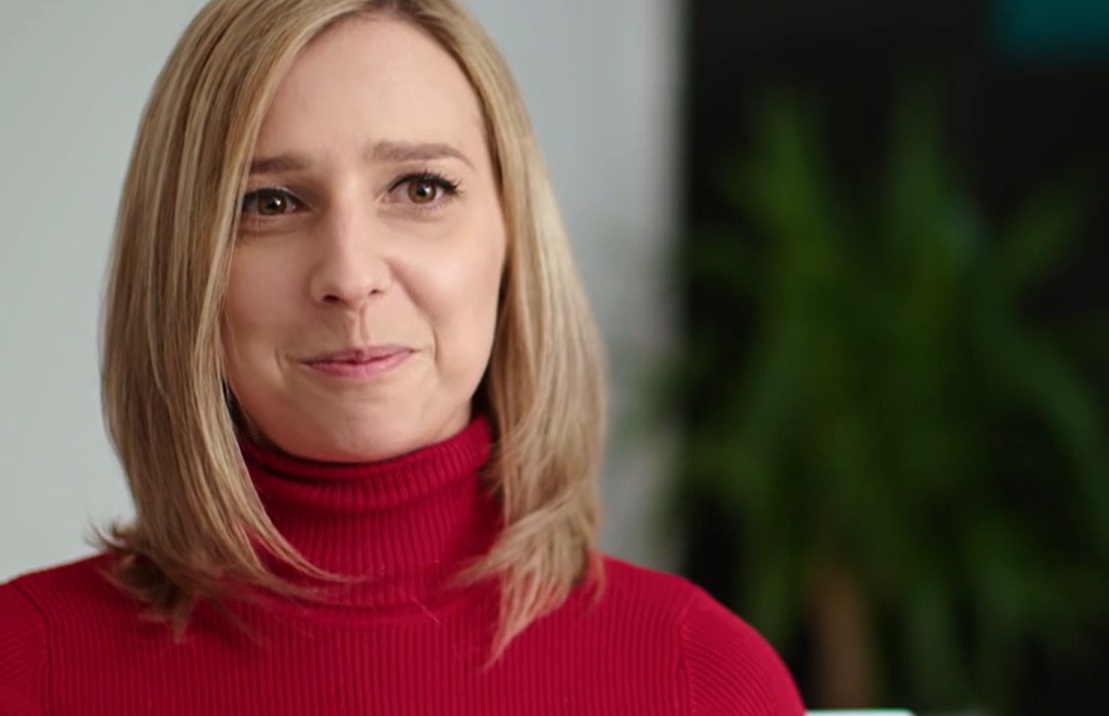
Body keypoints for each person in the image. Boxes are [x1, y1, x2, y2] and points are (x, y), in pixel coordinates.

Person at [0, 1, 806, 713]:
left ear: (512, 240)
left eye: (420, 189)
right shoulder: (25, 669)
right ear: (182, 264)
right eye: (271, 203)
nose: (351, 276)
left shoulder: (701, 681)